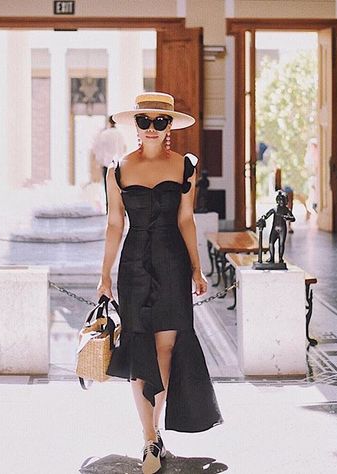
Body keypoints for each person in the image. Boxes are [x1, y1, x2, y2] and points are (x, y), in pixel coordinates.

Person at [97, 92, 222, 474]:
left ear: (170, 126)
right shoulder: (117, 169)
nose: (152, 128)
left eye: (161, 121)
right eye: (145, 121)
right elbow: (114, 225)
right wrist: (104, 275)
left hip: (172, 263)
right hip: (133, 264)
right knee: (139, 350)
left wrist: (198, 269)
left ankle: (153, 435)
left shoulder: (185, 166)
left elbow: (186, 220)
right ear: (135, 124)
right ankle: (150, 437)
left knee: (166, 349)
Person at [90, 115, 126, 212]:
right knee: (120, 186)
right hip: (119, 163)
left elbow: (98, 149)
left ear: (108, 122)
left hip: (107, 163)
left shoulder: (104, 134)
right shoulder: (120, 134)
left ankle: (109, 208)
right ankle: (121, 208)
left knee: (108, 187)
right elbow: (123, 148)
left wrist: (100, 161)